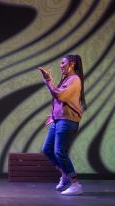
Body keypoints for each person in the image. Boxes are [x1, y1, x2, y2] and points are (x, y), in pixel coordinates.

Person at [38, 54, 86, 195]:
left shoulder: (75, 79)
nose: (61, 65)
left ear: (72, 64)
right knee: (47, 149)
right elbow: (63, 102)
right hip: (59, 119)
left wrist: (48, 80)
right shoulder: (67, 79)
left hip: (67, 121)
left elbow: (59, 95)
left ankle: (76, 184)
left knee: (60, 152)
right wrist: (54, 115)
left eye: (63, 63)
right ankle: (65, 175)